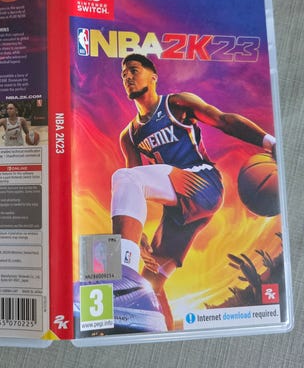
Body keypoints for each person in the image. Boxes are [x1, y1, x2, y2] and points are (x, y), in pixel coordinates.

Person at [109, 53, 276, 331]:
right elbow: (133, 188)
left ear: (153, 76)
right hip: (179, 211)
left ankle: (119, 272)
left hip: (203, 184)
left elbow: (224, 120)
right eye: (123, 74)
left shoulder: (176, 104)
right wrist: (140, 241)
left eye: (133, 70)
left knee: (122, 177)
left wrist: (270, 143)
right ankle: (160, 337)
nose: (127, 77)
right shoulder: (129, 136)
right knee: (148, 287)